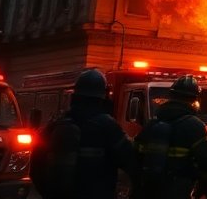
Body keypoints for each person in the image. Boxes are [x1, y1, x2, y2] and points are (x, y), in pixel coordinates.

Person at [31, 68, 134, 199]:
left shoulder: (56, 125)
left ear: (75, 94)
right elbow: (130, 161)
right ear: (103, 96)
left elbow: (35, 167)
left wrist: (49, 193)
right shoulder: (108, 127)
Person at [131, 74, 207, 199]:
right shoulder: (194, 125)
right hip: (178, 188)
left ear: (171, 95)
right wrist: (203, 188)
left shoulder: (152, 123)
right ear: (194, 99)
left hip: (149, 189)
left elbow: (135, 153)